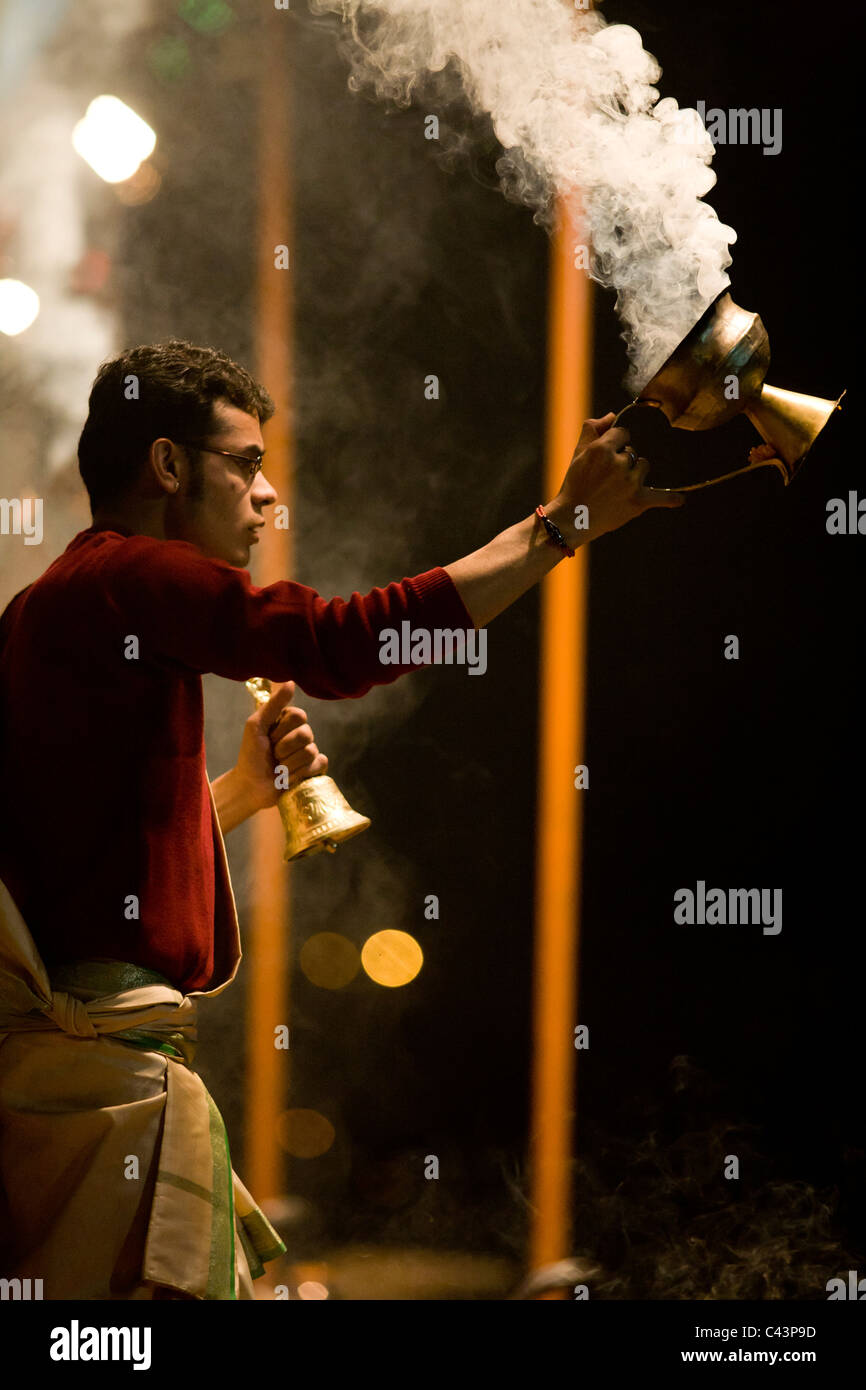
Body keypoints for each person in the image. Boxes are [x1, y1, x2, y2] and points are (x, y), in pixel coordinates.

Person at [0, 340, 682, 1301]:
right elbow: (341, 643)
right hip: (102, 1084)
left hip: (74, 1084)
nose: (268, 494)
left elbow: (77, 853)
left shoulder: (43, 607)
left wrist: (239, 795)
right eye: (244, 463)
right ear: (166, 466)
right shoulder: (133, 574)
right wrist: (559, 526)